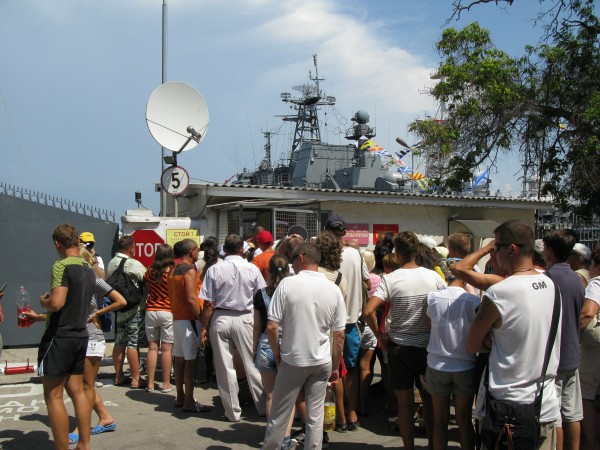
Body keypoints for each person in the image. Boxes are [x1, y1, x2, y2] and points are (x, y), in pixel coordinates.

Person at [466, 220, 561, 450]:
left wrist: (494, 341)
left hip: (506, 408)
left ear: (512, 249)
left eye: (496, 248)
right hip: (544, 404)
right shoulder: (551, 285)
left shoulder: (500, 292)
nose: (493, 255)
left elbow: (472, 343)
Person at [27, 245, 127, 445]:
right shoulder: (76, 281)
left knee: (83, 387)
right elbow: (64, 311)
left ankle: (82, 429)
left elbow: (121, 301)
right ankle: (103, 418)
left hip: (90, 338)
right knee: (80, 386)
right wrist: (39, 317)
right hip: (80, 336)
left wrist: (97, 313)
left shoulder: (93, 280)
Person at [363, 231, 446, 450]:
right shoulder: (434, 277)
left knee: (404, 403)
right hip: (428, 347)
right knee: (429, 400)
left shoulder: (391, 279)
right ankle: (432, 444)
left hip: (399, 348)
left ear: (397, 253)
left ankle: (408, 446)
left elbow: (369, 311)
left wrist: (380, 335)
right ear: (416, 251)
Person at [261, 242, 346, 450]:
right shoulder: (333, 289)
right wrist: (335, 366)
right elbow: (339, 334)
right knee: (315, 417)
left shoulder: (287, 285)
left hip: (293, 358)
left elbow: (272, 327)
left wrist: (277, 354)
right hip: (321, 360)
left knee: (279, 415)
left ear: (301, 258)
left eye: (293, 259)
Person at [36, 224, 96, 450]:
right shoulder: (88, 266)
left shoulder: (61, 266)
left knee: (53, 396)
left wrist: (44, 302)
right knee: (78, 391)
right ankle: (84, 444)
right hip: (80, 334)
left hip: (59, 335)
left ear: (57, 244)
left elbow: (57, 303)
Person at [200, 234, 266, 422]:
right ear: (242, 250)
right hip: (245, 317)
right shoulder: (252, 268)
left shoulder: (214, 269)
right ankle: (263, 407)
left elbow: (208, 303)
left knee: (224, 367)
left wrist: (204, 326)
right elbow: (260, 296)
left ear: (225, 249)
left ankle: (232, 412)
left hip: (221, 317)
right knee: (252, 363)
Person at [425, 258, 480, 450]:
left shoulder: (433, 297)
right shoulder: (473, 301)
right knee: (464, 420)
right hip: (465, 364)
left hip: (437, 362)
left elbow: (430, 324)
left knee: (439, 420)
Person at [324, 214, 369, 431]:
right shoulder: (355, 254)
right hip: (352, 320)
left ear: (326, 231)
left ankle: (339, 416)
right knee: (349, 370)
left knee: (334, 371)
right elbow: (367, 281)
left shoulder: (322, 254)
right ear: (344, 232)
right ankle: (352, 414)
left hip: (329, 321)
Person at [543, 229, 585, 450]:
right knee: (572, 412)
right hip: (572, 353)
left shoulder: (548, 279)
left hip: (554, 357)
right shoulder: (578, 279)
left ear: (550, 250)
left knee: (555, 414)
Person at [252, 254, 296, 449]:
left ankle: (273, 436)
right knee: (288, 396)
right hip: (288, 343)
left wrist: (254, 348)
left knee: (270, 394)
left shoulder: (260, 294)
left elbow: (256, 325)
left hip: (265, 344)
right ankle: (286, 436)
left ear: (268, 271)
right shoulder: (292, 293)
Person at [167, 239, 210, 413]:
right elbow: (192, 299)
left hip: (177, 318)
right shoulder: (189, 270)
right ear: (191, 251)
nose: (198, 252)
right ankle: (189, 401)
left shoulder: (173, 269)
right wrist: (202, 319)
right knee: (191, 362)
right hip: (190, 319)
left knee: (179, 360)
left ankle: (180, 397)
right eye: (197, 250)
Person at [107, 235, 148, 389]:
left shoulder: (112, 263)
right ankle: (136, 379)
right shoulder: (133, 264)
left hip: (119, 308)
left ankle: (118, 376)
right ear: (131, 249)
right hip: (134, 308)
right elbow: (147, 279)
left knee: (119, 341)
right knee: (133, 343)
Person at [143, 243, 175, 393]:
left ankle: (150, 383)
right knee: (167, 349)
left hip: (151, 310)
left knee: (152, 347)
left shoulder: (150, 271)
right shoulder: (171, 272)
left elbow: (148, 289)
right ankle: (166, 383)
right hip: (167, 310)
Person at [578, 247, 600, 450]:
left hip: (594, 350)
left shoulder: (597, 283)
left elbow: (587, 313)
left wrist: (572, 334)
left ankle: (592, 444)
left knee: (586, 395)